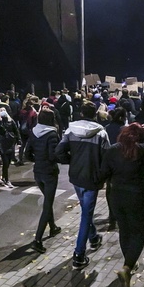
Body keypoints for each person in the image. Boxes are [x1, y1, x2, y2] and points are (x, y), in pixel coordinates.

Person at [99, 123, 144, 287]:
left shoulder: (112, 150)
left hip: (116, 196)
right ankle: (127, 267)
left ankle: (129, 264)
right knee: (140, 232)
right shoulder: (143, 150)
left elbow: (103, 174)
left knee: (124, 230)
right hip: (136, 197)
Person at [55, 102, 110, 269]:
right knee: (86, 215)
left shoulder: (71, 130)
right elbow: (107, 157)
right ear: (95, 115)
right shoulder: (100, 132)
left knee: (87, 212)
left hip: (76, 176)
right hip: (92, 178)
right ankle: (79, 254)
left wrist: (72, 161)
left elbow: (59, 152)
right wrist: (104, 176)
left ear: (80, 113)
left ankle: (93, 238)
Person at [29, 110, 62, 253]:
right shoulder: (52, 134)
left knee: (48, 200)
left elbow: (26, 153)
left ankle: (53, 227)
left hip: (38, 172)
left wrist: (37, 160)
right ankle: (37, 240)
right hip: (49, 172)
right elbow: (53, 155)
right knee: (47, 205)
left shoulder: (34, 132)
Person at [0, 108, 21, 188]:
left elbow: (16, 130)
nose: (3, 112)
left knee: (8, 163)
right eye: (0, 111)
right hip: (2, 145)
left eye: (3, 110)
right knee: (5, 162)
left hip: (10, 144)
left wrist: (19, 141)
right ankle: (6, 180)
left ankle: (3, 177)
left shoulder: (11, 121)